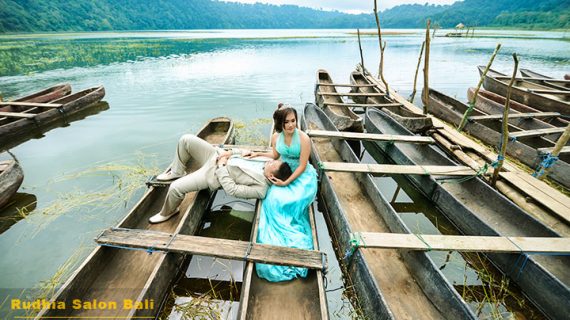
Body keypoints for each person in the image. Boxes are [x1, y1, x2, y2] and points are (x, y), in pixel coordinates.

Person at [148, 134, 292, 224]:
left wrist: (222, 166)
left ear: (271, 176)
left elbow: (232, 189)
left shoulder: (260, 189)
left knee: (175, 188)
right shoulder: (263, 161)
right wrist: (228, 153)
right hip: (216, 154)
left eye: (273, 164)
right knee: (186, 139)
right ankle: (177, 171)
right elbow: (245, 152)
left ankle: (167, 212)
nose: (270, 160)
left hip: (213, 173)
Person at [246, 104, 318, 282]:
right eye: (287, 122)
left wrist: (286, 182)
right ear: (280, 123)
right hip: (283, 171)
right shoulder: (275, 137)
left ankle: (293, 238)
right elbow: (275, 157)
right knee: (272, 200)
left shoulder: (303, 139)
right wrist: (256, 155)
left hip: (301, 178)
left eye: (293, 121)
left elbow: (302, 165)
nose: (292, 125)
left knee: (287, 201)